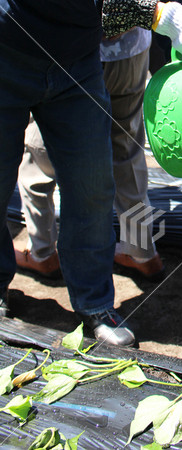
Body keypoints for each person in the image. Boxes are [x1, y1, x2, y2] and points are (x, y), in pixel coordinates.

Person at [0, 0, 182, 347]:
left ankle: (94, 303)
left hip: (77, 61)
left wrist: (164, 16)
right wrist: (165, 17)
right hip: (8, 50)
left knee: (92, 187)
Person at [15, 27, 166, 282]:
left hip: (70, 48)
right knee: (126, 151)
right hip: (129, 50)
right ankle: (142, 253)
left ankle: (42, 253)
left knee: (41, 151)